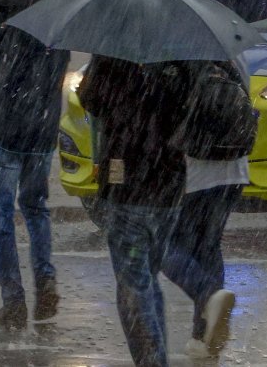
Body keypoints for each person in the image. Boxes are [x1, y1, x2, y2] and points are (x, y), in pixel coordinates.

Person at [0, 5, 70, 329]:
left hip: (5, 129)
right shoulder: (53, 24)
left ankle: (13, 300)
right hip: (42, 132)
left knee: (0, 216)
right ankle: (45, 279)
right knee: (36, 208)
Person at [78, 56, 192, 367]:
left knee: (135, 286)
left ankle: (152, 362)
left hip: (128, 184)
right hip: (169, 188)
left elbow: (91, 99)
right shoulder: (183, 53)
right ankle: (156, 358)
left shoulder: (115, 52)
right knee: (148, 281)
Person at [162, 57, 251, 359]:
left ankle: (208, 295)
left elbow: (165, 116)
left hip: (194, 170)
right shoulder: (232, 53)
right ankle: (203, 336)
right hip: (235, 168)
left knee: (161, 246)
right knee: (208, 247)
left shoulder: (177, 59)